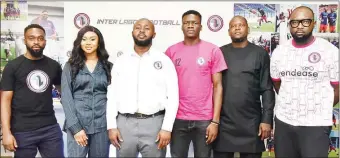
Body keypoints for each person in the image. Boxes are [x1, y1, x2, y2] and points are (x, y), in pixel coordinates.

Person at [270, 6, 339, 157]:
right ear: (289, 25)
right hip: (284, 122)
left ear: (314, 23)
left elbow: (337, 89)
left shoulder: (330, 52)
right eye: (294, 22)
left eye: (305, 22)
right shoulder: (279, 52)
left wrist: (319, 106)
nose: (299, 26)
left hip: (316, 124)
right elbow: (277, 84)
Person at [107, 18, 179, 158]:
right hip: (124, 125)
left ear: (154, 34)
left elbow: (173, 96)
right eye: (138, 27)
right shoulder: (121, 61)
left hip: (154, 124)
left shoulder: (164, 61)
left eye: (147, 28)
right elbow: (112, 95)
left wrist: (167, 128)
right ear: (132, 32)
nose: (141, 31)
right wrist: (111, 126)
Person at [165, 10, 227, 157]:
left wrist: (215, 121)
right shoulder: (171, 51)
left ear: (201, 26)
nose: (190, 26)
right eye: (187, 23)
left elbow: (218, 86)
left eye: (194, 23)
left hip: (204, 119)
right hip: (178, 118)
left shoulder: (213, 50)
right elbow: (164, 87)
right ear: (182, 26)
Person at [213, 16, 275, 158]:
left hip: (252, 124)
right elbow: (213, 87)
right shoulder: (219, 53)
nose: (237, 28)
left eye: (241, 25)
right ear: (228, 31)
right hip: (224, 123)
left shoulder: (260, 54)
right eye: (233, 26)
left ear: (248, 29)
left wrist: (266, 119)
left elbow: (267, 89)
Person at [0, 24, 64, 157]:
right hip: (22, 131)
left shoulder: (54, 66)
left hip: (50, 128)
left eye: (40, 38)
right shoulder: (12, 67)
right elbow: (5, 100)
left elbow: (65, 94)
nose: (36, 42)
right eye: (31, 38)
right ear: (24, 40)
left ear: (45, 41)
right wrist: (6, 132)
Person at [61, 25, 112, 157]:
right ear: (79, 42)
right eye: (84, 39)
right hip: (78, 125)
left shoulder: (108, 66)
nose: (88, 43)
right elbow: (66, 98)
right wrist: (76, 128)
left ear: (99, 41)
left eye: (92, 39)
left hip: (102, 125)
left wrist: (112, 125)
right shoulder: (70, 66)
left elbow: (114, 98)